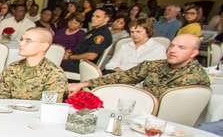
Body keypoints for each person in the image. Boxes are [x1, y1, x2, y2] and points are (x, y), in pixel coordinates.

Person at [68, 34, 209, 98]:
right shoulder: (155, 65)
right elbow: (124, 76)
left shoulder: (195, 77)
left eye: (181, 48)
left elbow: (159, 100)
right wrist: (85, 84)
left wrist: (104, 94)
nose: (172, 50)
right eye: (172, 46)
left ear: (194, 53)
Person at [0, 27, 67, 100]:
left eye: (28, 41)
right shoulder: (13, 67)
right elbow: (0, 96)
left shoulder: (54, 74)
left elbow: (49, 106)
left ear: (43, 46)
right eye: (22, 40)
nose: (21, 44)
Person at [62, 6, 113, 73]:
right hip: (76, 60)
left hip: (82, 65)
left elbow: (91, 56)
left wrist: (70, 57)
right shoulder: (95, 31)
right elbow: (82, 47)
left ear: (106, 19)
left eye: (97, 17)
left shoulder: (102, 35)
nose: (93, 18)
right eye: (93, 16)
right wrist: (70, 51)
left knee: (53, 62)